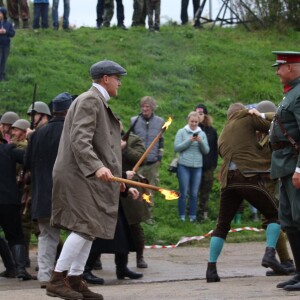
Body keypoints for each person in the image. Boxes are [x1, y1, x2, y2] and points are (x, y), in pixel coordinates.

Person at [45, 60, 127, 300]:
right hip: (78, 174)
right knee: (84, 225)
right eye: (117, 77)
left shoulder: (97, 101)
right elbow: (80, 139)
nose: (119, 82)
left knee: (89, 228)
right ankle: (56, 279)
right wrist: (97, 167)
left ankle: (75, 279)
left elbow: (103, 146)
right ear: (105, 79)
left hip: (85, 174)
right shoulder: (91, 100)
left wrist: (118, 176)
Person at [206, 102, 288, 283]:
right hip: (247, 178)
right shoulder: (246, 118)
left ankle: (211, 269)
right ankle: (269, 255)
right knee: (275, 215)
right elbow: (275, 125)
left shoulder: (223, 132)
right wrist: (260, 115)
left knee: (222, 226)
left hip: (228, 182)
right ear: (242, 111)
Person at [24, 92, 73, 289]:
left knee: (46, 237)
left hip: (42, 194)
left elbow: (27, 163)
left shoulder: (37, 134)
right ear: (69, 110)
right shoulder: (71, 131)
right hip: (67, 192)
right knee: (76, 235)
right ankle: (69, 275)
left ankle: (45, 276)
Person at [249, 100, 295, 276]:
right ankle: (286, 261)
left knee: (278, 220)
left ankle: (287, 262)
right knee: (272, 220)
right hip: (269, 182)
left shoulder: (275, 133)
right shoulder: (267, 133)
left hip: (276, 182)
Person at [268, 51, 300, 291]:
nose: (277, 72)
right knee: (289, 221)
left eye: (280, 67)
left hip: (294, 166)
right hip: (284, 165)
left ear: (291, 67)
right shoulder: (291, 94)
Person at [0, 136, 33, 280]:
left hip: (8, 199)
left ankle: (11, 268)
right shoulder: (8, 150)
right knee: (15, 236)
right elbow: (28, 159)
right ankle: (19, 269)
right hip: (9, 200)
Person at [174, 111, 209, 222]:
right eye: (191, 121)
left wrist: (200, 142)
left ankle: (192, 217)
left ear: (198, 122)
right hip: (184, 165)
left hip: (197, 166)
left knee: (194, 193)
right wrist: (189, 141)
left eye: (196, 122)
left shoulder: (202, 134)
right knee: (183, 192)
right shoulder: (181, 132)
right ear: (188, 121)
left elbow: (206, 151)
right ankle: (182, 217)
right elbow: (177, 148)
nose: (193, 124)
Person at [131, 96, 165, 209]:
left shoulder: (160, 122)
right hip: (138, 161)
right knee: (137, 186)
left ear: (152, 108)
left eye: (147, 106)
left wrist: (159, 157)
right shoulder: (134, 121)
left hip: (152, 161)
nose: (145, 109)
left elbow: (162, 141)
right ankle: (138, 210)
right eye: (143, 106)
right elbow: (130, 139)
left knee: (150, 187)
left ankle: (149, 212)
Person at [195, 104, 218, 221]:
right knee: (193, 191)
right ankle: (192, 214)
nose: (198, 116)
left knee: (205, 191)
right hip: (194, 166)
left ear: (205, 115)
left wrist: (213, 164)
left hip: (208, 166)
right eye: (196, 114)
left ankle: (203, 213)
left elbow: (215, 149)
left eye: (201, 114)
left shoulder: (212, 131)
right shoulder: (191, 129)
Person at [0, 7, 15, 81]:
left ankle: (2, 76)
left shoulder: (9, 24)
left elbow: (12, 34)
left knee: (3, 61)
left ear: (3, 14)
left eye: (0, 13)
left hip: (6, 45)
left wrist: (6, 32)